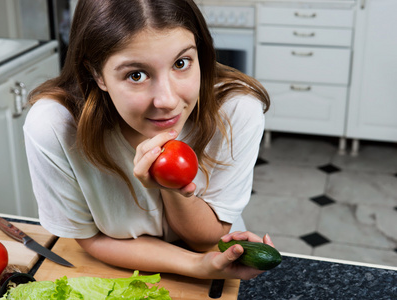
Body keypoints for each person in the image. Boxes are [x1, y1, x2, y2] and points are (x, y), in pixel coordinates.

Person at [24, 0, 273, 280]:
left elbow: (206, 240)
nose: (167, 100)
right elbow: (90, 238)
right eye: (136, 75)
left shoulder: (235, 111)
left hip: (216, 265)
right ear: (97, 73)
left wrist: (171, 186)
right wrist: (195, 265)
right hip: (122, 270)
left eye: (181, 63)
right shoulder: (55, 126)